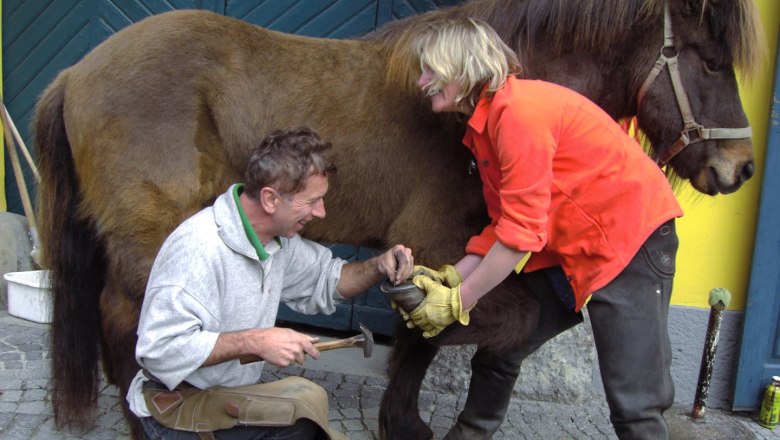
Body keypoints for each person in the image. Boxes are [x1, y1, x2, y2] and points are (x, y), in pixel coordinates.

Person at [402, 18, 683, 440]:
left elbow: (519, 237)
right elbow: (505, 223)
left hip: (631, 241)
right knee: (502, 345)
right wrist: (454, 274)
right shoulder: (485, 124)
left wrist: (459, 298)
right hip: (571, 251)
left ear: (465, 69)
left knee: (635, 405)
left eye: (432, 70)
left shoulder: (518, 113)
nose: (422, 81)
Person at [126, 126, 414, 440]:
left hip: (224, 395)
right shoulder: (198, 249)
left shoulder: (277, 242)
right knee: (303, 429)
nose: (321, 212)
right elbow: (160, 350)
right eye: (312, 201)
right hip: (176, 407)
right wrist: (256, 340)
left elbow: (328, 279)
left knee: (309, 413)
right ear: (270, 199)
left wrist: (378, 265)